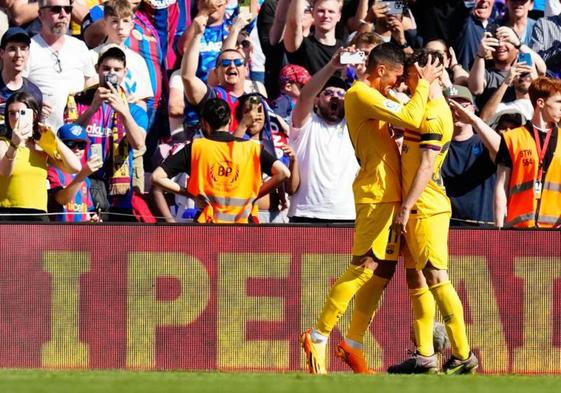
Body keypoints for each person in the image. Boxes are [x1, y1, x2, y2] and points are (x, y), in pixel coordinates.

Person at [300, 42, 441, 374]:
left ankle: (353, 343)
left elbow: (411, 115)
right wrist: (423, 83)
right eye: (394, 77)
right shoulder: (359, 94)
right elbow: (411, 114)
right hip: (375, 193)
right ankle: (318, 334)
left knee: (382, 271)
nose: (396, 83)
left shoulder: (377, 96)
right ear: (380, 71)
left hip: (392, 194)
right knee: (364, 267)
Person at [387, 52, 479, 374]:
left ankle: (463, 353)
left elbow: (427, 164)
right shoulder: (423, 108)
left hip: (426, 206)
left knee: (436, 276)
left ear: (426, 74)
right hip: (415, 206)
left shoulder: (437, 115)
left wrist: (407, 206)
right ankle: (425, 355)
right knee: (416, 278)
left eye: (411, 75)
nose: (406, 82)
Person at [151, 97, 290, 224]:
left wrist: (189, 194)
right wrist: (255, 194)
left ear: (204, 123)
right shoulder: (252, 148)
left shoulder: (195, 148)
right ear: (230, 120)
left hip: (207, 228)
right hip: (244, 227)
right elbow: (283, 173)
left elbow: (157, 177)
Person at [74, 46, 147, 221]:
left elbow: (139, 144)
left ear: (125, 72)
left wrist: (123, 111)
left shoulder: (135, 110)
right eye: (106, 69)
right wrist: (92, 109)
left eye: (117, 70)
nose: (111, 74)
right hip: (86, 184)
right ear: (97, 69)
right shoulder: (79, 102)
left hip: (119, 193)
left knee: (118, 245)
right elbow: (68, 136)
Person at [287, 50, 359, 224]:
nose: (335, 96)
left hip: (346, 214)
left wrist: (361, 72)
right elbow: (305, 96)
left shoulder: (354, 125)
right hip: (305, 213)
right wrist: (332, 65)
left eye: (341, 94)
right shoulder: (306, 123)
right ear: (317, 100)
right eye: (328, 93)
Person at [0, 92, 81, 221]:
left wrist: (54, 139)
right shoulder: (3, 143)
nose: (15, 117)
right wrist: (14, 145)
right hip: (8, 214)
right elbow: (5, 171)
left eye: (21, 113)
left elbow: (75, 167)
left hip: (38, 215)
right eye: (11, 113)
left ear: (33, 115)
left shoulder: (41, 146)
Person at [494, 76, 561, 228]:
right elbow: (501, 186)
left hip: (556, 232)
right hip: (519, 230)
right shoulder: (512, 138)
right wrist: (497, 231)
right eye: (558, 102)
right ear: (541, 103)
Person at [25, 0, 96, 130]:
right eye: (56, 9)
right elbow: (16, 88)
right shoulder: (27, 49)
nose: (63, 14)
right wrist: (32, 104)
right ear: (40, 14)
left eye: (68, 9)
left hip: (77, 136)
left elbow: (91, 86)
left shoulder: (79, 47)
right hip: (42, 135)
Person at [234, 93, 299, 223]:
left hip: (274, 216)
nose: (254, 116)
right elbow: (229, 156)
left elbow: (291, 190)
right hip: (241, 216)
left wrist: (293, 161)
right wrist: (243, 125)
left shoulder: (278, 144)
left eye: (259, 111)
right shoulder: (233, 140)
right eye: (248, 111)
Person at [442, 85, 500, 227]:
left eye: (463, 106)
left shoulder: (484, 143)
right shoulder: (438, 147)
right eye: (452, 107)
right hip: (448, 227)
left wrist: (474, 120)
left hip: (483, 227)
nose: (458, 112)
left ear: (473, 108)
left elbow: (502, 152)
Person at [47, 123, 103, 222]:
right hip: (59, 233)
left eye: (82, 145)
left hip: (80, 234)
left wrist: (91, 219)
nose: (77, 149)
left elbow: (85, 210)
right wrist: (83, 174)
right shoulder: (52, 171)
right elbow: (62, 200)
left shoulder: (85, 176)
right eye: (70, 144)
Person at [283, 0, 344, 75]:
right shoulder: (302, 46)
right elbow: (293, 24)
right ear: (312, 13)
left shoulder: (344, 48)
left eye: (331, 11)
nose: (326, 15)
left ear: (339, 16)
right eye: (321, 11)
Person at [0, 27, 43, 127]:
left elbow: (35, 130)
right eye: (12, 49)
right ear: (2, 53)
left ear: (28, 53)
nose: (18, 54)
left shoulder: (34, 93)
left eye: (23, 48)